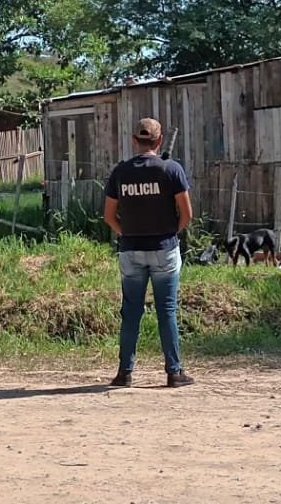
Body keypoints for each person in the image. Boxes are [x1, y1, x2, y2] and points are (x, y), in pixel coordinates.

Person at [102, 117, 194, 389]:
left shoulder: (120, 172)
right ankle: (174, 372)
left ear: (135, 141)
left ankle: (124, 373)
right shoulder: (171, 169)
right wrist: (171, 233)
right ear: (160, 140)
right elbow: (187, 214)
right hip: (164, 249)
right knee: (167, 310)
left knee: (131, 311)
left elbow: (109, 216)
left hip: (131, 250)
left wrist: (126, 233)